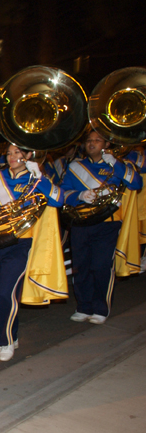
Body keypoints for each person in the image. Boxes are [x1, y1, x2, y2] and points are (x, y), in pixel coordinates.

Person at [0, 144, 65, 361]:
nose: (12, 156)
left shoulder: (36, 179)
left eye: (18, 153)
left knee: (6, 292)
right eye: (9, 153)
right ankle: (7, 334)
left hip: (21, 242)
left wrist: (40, 178)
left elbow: (58, 199)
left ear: (28, 155)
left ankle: (5, 341)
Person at [60, 131, 143, 324]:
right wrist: (78, 196)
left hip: (107, 223)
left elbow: (136, 183)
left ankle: (100, 308)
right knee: (81, 266)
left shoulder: (117, 165)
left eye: (97, 140)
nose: (92, 143)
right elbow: (63, 192)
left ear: (106, 144)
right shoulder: (75, 166)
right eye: (89, 140)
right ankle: (83, 306)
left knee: (101, 266)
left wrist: (116, 163)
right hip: (80, 222)